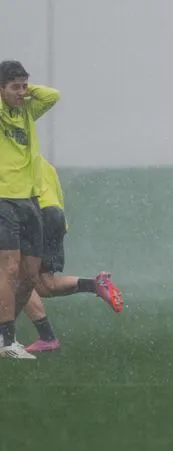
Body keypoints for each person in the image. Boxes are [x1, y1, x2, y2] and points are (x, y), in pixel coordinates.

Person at [22, 155, 124, 352]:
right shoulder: (42, 162)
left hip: (34, 214)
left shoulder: (11, 158)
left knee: (16, 280)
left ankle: (47, 337)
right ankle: (96, 285)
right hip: (55, 216)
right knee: (44, 285)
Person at [0, 60, 59, 359]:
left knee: (30, 275)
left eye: (25, 85)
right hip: (2, 199)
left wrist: (24, 91)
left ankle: (5, 332)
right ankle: (6, 340)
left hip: (30, 201)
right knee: (8, 268)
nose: (22, 92)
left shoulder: (27, 110)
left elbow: (52, 96)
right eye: (15, 87)